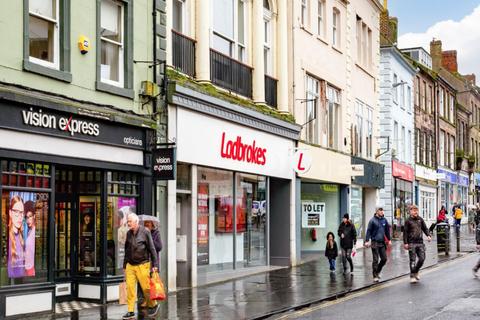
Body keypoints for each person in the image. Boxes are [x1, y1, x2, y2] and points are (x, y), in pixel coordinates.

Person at [122, 213, 159, 320]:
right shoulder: (129, 233)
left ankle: (153, 305)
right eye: (128, 221)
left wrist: (155, 265)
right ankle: (130, 311)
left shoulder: (145, 232)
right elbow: (127, 249)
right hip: (130, 265)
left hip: (143, 264)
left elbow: (152, 249)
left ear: (136, 222)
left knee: (146, 288)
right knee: (130, 289)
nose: (128, 223)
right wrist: (125, 265)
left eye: (130, 221)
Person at [403, 204, 431, 283]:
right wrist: (405, 243)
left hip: (420, 242)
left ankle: (416, 271)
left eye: (417, 210)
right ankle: (412, 276)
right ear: (410, 211)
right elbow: (405, 232)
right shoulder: (408, 221)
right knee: (412, 260)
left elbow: (425, 228)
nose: (416, 212)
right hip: (411, 243)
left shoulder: (420, 219)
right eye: (414, 210)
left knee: (422, 259)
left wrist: (428, 235)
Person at [138, 219, 163, 307]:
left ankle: (153, 300)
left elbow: (159, 247)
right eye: (145, 224)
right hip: (143, 261)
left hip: (152, 261)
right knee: (145, 283)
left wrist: (150, 239)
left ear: (152, 224)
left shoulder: (156, 233)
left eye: (148, 224)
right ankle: (146, 300)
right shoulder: (142, 233)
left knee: (151, 282)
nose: (146, 225)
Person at [365, 207, 391, 283]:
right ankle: (375, 276)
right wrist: (367, 241)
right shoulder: (372, 220)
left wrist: (389, 240)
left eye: (383, 210)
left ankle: (378, 271)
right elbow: (368, 231)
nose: (382, 212)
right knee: (375, 259)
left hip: (382, 243)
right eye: (380, 210)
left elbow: (387, 231)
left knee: (384, 259)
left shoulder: (384, 220)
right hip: (374, 242)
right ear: (377, 211)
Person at [8, 195, 25, 278]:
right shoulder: (8, 237)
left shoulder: (20, 235)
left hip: (20, 280)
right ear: (10, 213)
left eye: (21, 212)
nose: (20, 216)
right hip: (10, 282)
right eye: (16, 211)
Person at [24, 201, 36, 276]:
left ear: (34, 216)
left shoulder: (34, 231)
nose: (28, 220)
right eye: (26, 217)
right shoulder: (29, 231)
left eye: (30, 216)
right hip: (27, 267)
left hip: (30, 267)